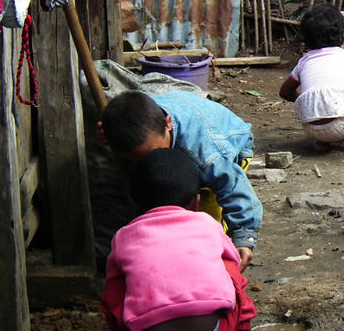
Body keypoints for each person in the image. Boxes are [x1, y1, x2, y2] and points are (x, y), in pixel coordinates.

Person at [100, 148, 270, 331]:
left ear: (133, 204)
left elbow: (113, 290)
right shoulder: (208, 224)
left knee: (114, 287)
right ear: (196, 202)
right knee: (230, 271)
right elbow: (232, 259)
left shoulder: (124, 236)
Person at [101, 89, 262, 271]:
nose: (151, 163)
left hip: (230, 143)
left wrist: (243, 238)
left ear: (167, 124)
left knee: (204, 228)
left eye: (154, 153)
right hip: (188, 115)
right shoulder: (132, 125)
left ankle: (203, 269)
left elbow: (234, 189)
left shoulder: (207, 156)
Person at [279, 4, 344, 152]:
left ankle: (322, 143)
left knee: (319, 98)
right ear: (342, 33)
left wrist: (307, 101)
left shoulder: (303, 62)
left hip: (311, 127)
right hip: (342, 127)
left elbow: (284, 92)